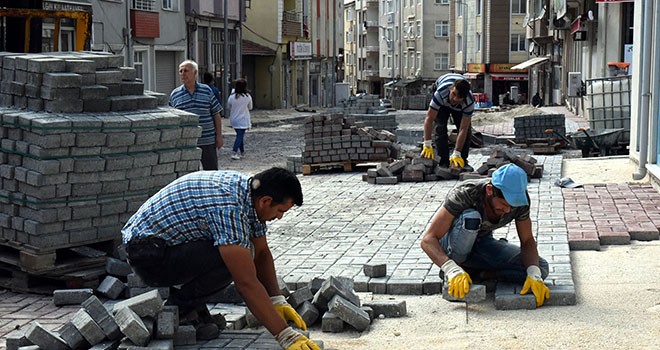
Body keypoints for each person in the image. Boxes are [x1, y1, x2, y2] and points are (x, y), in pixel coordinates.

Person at [121, 167, 321, 349]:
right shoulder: (229, 207)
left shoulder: (250, 194)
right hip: (147, 256)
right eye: (280, 211)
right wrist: (285, 335)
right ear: (266, 201)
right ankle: (179, 308)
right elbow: (246, 283)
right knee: (233, 260)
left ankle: (191, 309)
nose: (280, 217)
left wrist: (277, 299)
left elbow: (261, 253)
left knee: (243, 251)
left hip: (168, 245)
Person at [420, 163, 551, 307]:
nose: (508, 210)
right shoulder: (466, 193)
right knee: (471, 219)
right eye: (503, 204)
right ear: (490, 190)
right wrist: (451, 268)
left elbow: (527, 241)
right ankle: (456, 272)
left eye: (512, 206)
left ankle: (478, 274)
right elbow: (428, 240)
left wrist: (534, 274)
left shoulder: (520, 201)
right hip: (454, 244)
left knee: (540, 267)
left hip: (482, 244)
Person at [170, 60, 223, 170]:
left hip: (208, 140)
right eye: (180, 71)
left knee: (211, 172)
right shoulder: (175, 94)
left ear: (195, 73)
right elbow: (172, 120)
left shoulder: (206, 90)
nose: (183, 74)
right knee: (188, 173)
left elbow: (216, 114)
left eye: (186, 71)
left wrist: (219, 136)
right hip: (187, 142)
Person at [420, 73, 476, 171]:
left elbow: (463, 129)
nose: (454, 99)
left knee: (466, 132)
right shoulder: (441, 93)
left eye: (458, 98)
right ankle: (443, 161)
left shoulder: (469, 102)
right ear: (451, 88)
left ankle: (461, 160)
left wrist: (457, 152)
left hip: (460, 108)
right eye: (453, 94)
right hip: (442, 101)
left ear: (463, 98)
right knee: (440, 128)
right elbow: (429, 118)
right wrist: (427, 143)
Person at [227, 78, 253, 160]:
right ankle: (234, 152)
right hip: (243, 119)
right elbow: (250, 107)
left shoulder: (232, 97)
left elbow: (228, 106)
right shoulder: (247, 96)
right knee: (240, 136)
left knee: (240, 135)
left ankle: (242, 152)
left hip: (234, 119)